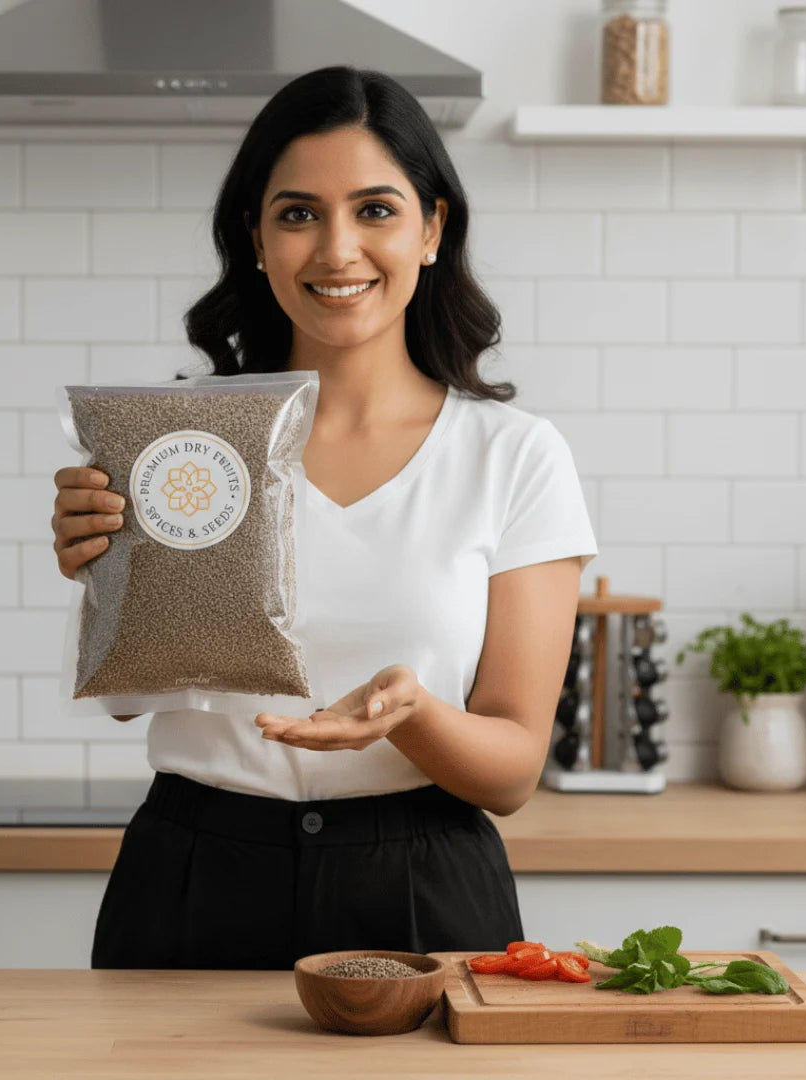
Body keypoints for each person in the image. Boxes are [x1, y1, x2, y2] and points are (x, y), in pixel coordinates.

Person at [51, 66, 597, 971]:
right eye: (298, 213)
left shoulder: (514, 455)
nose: (337, 249)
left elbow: (510, 771)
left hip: (424, 891)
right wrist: (100, 570)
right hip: (191, 879)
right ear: (256, 241)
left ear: (432, 228)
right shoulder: (179, 441)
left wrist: (412, 713)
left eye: (375, 209)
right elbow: (126, 696)